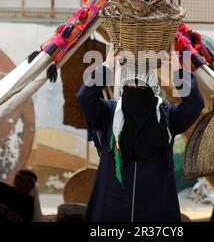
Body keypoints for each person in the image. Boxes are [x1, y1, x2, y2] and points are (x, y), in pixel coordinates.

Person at [76, 45, 204, 222]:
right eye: (130, 85)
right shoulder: (109, 115)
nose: (135, 89)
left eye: (142, 86)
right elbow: (84, 98)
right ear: (122, 91)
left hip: (156, 211)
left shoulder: (167, 117)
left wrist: (178, 72)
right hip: (112, 210)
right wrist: (107, 66)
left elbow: (194, 104)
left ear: (153, 92)